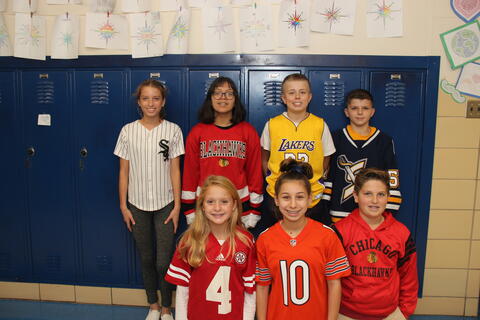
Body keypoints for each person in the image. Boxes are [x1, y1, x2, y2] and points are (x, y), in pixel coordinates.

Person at [114, 79, 184, 320]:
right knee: (146, 258)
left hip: (165, 204)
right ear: (139, 102)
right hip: (137, 204)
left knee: (164, 261)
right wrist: (124, 206)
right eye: (146, 98)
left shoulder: (173, 130)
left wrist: (177, 206)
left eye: (156, 98)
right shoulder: (128, 130)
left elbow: (175, 170)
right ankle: (153, 305)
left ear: (163, 102)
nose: (151, 103)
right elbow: (124, 171)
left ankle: (167, 308)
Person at [255, 159, 351, 320]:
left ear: (309, 199)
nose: (293, 204)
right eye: (286, 197)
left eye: (300, 197)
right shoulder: (265, 239)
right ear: (276, 200)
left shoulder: (327, 236)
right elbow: (262, 287)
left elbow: (334, 284)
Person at [165, 175, 256, 320]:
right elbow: (182, 292)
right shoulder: (190, 241)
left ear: (234, 205)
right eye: (210, 202)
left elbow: (250, 292)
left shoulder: (246, 241)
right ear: (202, 206)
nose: (217, 208)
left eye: (224, 202)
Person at [332, 168, 418, 320]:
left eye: (381, 194)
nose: (374, 201)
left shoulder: (401, 233)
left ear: (388, 197)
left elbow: (409, 278)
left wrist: (403, 312)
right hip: (345, 313)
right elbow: (330, 278)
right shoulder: (340, 231)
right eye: (368, 194)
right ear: (356, 196)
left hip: (389, 314)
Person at [181, 77, 263, 229]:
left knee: (236, 250)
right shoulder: (197, 132)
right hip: (206, 205)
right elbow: (190, 173)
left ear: (235, 99)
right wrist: (189, 210)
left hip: (238, 205)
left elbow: (254, 172)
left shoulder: (248, 131)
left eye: (229, 93)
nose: (223, 98)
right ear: (210, 98)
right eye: (217, 93)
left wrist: (255, 209)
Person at [260, 73, 335, 228]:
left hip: (312, 195)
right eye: (291, 93)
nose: (297, 97)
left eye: (302, 92)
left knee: (314, 242)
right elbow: (264, 157)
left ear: (309, 97)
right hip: (278, 194)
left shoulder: (320, 124)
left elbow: (326, 158)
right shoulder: (272, 124)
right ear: (284, 98)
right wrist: (273, 180)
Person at [322, 89, 402, 222]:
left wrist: (389, 210)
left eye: (365, 108)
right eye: (354, 108)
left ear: (372, 112)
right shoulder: (335, 138)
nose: (360, 112)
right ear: (347, 112)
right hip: (339, 211)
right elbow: (329, 175)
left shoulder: (383, 141)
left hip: (372, 213)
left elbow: (392, 175)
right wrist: (325, 204)